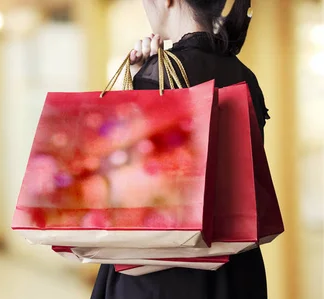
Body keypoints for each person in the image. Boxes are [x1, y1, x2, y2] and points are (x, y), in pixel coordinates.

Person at [91, 0, 271, 298]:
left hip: (163, 269)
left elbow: (129, 185)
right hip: (236, 265)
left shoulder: (157, 73)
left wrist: (139, 84)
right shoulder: (244, 75)